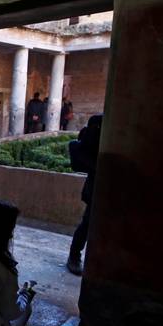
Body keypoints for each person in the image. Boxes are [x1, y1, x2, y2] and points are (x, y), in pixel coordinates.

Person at [67, 114, 103, 276]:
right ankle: (74, 256)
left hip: (100, 187)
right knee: (87, 224)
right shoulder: (95, 133)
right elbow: (81, 154)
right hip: (97, 187)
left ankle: (77, 257)